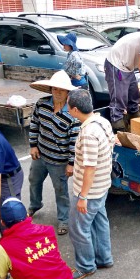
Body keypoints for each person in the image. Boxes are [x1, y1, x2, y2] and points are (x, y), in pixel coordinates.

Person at [66, 89, 115, 279]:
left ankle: (86, 266)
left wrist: (83, 197)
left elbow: (89, 168)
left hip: (90, 191)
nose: (67, 110)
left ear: (76, 109)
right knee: (100, 222)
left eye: (68, 107)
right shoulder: (102, 121)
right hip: (102, 187)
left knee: (79, 228)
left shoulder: (88, 133)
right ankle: (104, 258)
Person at [28, 70, 80, 236]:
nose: (57, 92)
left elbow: (74, 142)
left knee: (61, 192)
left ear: (67, 92)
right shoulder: (41, 104)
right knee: (33, 180)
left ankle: (64, 219)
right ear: (50, 90)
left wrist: (71, 164)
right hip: (41, 154)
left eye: (61, 90)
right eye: (55, 89)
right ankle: (35, 205)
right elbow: (34, 125)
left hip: (59, 162)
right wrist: (33, 145)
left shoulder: (72, 114)